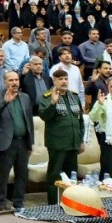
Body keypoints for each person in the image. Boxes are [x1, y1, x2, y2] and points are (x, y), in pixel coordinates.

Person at [0, 71, 34, 211]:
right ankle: (0, 202)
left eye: (16, 80)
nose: (14, 83)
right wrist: (5, 102)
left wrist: (30, 142)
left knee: (22, 174)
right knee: (3, 174)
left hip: (23, 142)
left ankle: (18, 203)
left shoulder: (25, 97)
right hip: (6, 143)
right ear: (4, 82)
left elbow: (29, 121)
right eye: (11, 80)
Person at [39, 69, 85, 204]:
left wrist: (81, 140)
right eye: (60, 79)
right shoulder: (47, 96)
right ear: (54, 81)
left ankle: (70, 202)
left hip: (73, 142)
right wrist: (53, 103)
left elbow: (80, 120)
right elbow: (44, 116)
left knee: (72, 175)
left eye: (65, 79)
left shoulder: (74, 96)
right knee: (55, 175)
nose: (64, 81)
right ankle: (53, 203)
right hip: (57, 143)